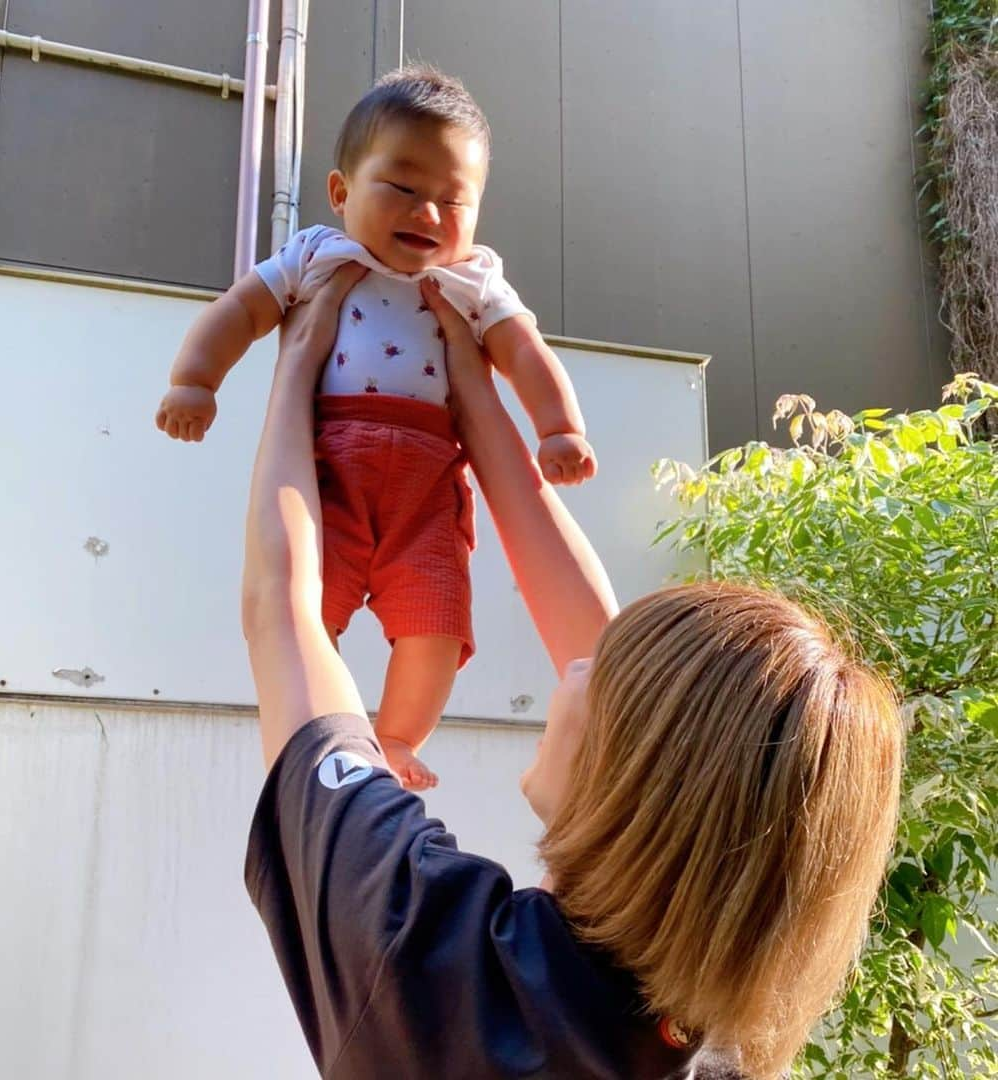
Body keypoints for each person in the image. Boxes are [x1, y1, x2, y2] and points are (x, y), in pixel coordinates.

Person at [240, 267, 904, 1079]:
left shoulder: (423, 949)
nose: (580, 664)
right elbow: (653, 702)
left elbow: (285, 606)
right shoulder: (715, 1042)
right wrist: (468, 387)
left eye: (610, 674)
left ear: (629, 771)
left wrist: (299, 360)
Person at [156, 66, 594, 790]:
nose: (428, 213)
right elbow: (239, 312)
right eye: (404, 188)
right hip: (330, 465)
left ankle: (393, 737)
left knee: (438, 624)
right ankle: (323, 735)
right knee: (304, 612)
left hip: (427, 487)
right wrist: (194, 380)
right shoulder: (315, 257)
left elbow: (524, 352)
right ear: (341, 192)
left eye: (454, 200)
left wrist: (558, 429)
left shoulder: (474, 282)